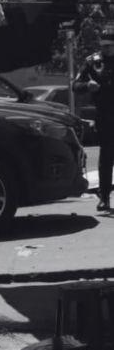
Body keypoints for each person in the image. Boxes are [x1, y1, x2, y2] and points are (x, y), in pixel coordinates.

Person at [73, 26, 114, 212]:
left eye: (110, 46)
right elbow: (76, 85)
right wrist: (87, 85)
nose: (107, 49)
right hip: (105, 115)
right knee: (106, 157)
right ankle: (104, 197)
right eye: (104, 46)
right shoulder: (93, 62)